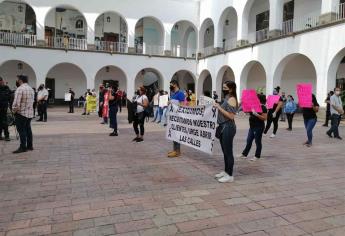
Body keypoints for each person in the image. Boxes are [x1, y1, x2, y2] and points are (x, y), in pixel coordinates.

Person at [214, 81, 238, 183]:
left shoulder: (232, 99)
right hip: (223, 126)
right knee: (225, 151)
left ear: (231, 89)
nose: (223, 89)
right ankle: (226, 171)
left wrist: (219, 107)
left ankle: (230, 175)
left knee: (228, 152)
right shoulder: (227, 97)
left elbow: (231, 116)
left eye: (225, 87)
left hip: (228, 127)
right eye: (223, 87)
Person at [238, 94, 267, 161]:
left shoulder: (263, 107)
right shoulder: (254, 106)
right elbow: (246, 110)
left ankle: (257, 156)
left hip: (259, 127)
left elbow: (264, 118)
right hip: (252, 127)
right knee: (249, 140)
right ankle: (244, 154)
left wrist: (256, 115)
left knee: (257, 141)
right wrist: (242, 103)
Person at [12, 75, 34, 153]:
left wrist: (14, 111)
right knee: (28, 129)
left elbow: (16, 103)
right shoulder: (31, 89)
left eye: (17, 79)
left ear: (20, 80)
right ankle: (30, 146)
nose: (17, 81)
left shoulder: (20, 89)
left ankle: (23, 147)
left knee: (22, 130)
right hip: (29, 113)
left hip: (21, 113)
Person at [168, 80, 186, 158]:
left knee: (177, 134)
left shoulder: (180, 93)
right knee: (173, 133)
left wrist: (173, 103)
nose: (170, 86)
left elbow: (182, 105)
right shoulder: (173, 94)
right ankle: (174, 149)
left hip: (178, 116)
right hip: (172, 116)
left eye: (171, 85)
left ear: (175, 85)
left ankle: (177, 151)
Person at [0, 77, 11, 141]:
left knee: (4, 122)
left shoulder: (6, 88)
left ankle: (7, 136)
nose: (1, 82)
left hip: (4, 108)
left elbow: (10, 96)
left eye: (1, 81)